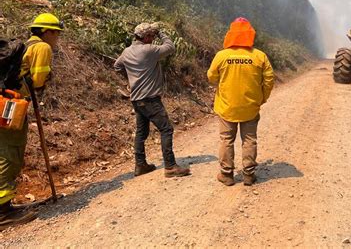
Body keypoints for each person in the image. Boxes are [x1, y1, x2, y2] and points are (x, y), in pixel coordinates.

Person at [0, 13, 63, 229]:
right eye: (56, 34)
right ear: (47, 32)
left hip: (6, 102)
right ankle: (2, 213)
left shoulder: (26, 45)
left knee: (6, 151)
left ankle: (6, 205)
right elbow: (37, 81)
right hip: (11, 105)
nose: (57, 39)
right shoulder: (42, 48)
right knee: (10, 154)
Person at [114, 23, 191, 178]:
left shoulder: (127, 51)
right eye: (152, 36)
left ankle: (140, 165)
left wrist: (131, 79)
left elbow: (117, 66)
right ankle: (170, 166)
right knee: (166, 129)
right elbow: (170, 46)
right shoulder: (150, 50)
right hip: (150, 99)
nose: (153, 39)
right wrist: (161, 33)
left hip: (137, 99)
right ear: (147, 37)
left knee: (141, 132)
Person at [207, 17, 274, 186]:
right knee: (249, 139)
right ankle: (249, 175)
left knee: (226, 140)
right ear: (250, 35)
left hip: (226, 107)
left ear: (230, 35)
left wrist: (224, 84)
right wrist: (262, 98)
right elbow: (269, 80)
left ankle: (227, 175)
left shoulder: (222, 56)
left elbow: (211, 77)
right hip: (250, 107)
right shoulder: (260, 56)